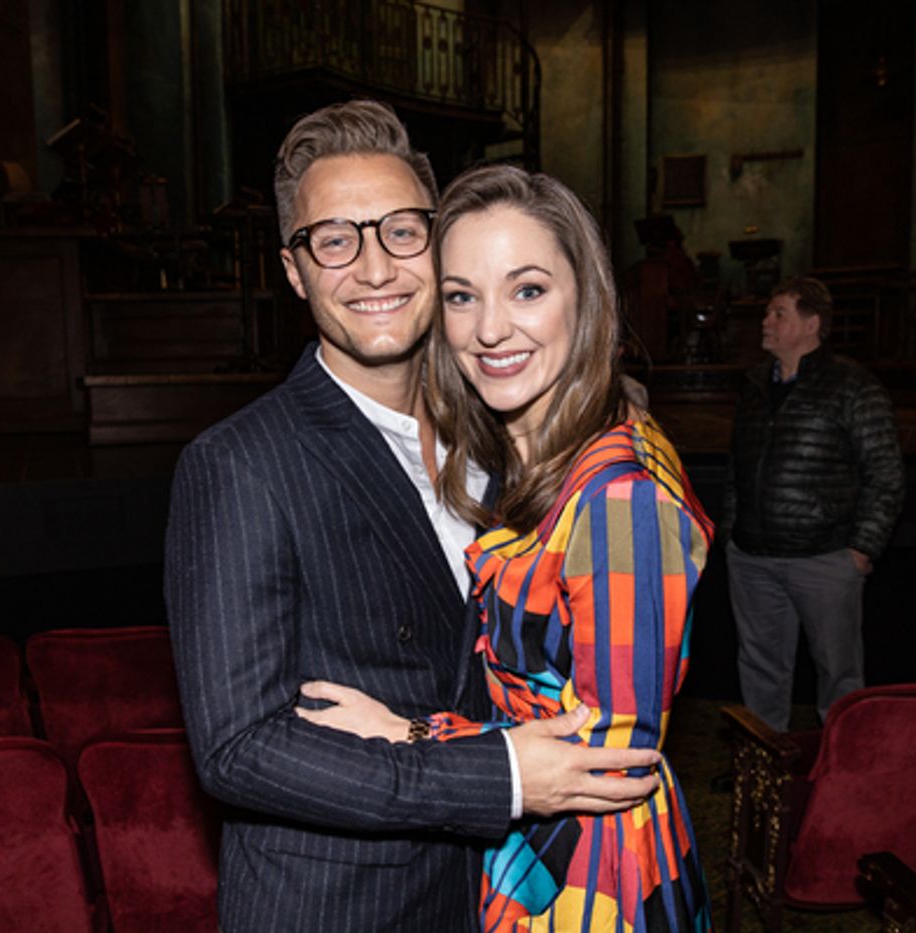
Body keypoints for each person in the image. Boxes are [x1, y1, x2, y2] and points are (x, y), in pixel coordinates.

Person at [164, 101, 661, 933]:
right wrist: (495, 774)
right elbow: (238, 748)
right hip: (339, 905)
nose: (373, 267)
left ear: (437, 245)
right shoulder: (239, 463)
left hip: (494, 890)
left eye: (400, 230)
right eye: (334, 239)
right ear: (295, 271)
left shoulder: (505, 434)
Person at [297, 164, 716, 931]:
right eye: (462, 295)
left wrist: (407, 734)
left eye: (527, 289)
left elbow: (610, 752)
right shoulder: (531, 457)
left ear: (584, 299)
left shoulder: (620, 496)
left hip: (589, 873)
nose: (490, 328)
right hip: (526, 837)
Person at [722, 276, 905, 731]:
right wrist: (731, 533)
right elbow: (736, 469)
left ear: (812, 324)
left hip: (824, 559)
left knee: (838, 673)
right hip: (753, 559)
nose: (766, 321)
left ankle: (844, 766)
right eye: (768, 313)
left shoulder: (852, 386)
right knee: (761, 668)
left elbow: (886, 472)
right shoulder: (755, 386)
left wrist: (862, 548)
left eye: (778, 313)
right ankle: (763, 769)